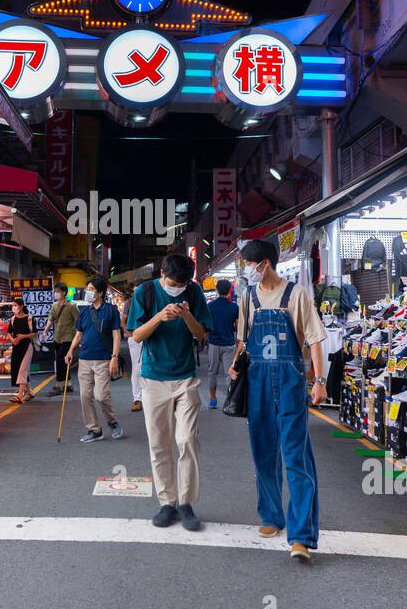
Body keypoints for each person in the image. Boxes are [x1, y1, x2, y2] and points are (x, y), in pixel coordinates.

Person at [229, 238, 328, 562]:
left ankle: (301, 536)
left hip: (289, 382)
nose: (247, 270)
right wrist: (235, 363)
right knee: (263, 451)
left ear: (264, 264)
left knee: (295, 457)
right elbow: (243, 341)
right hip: (256, 381)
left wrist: (319, 381)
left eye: (249, 264)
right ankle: (271, 516)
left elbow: (314, 340)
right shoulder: (247, 298)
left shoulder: (296, 294)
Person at [127, 253, 211, 531]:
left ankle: (186, 503)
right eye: (174, 283)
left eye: (183, 283)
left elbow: (201, 334)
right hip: (153, 380)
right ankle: (167, 503)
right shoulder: (145, 291)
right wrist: (160, 317)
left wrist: (187, 315)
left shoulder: (194, 291)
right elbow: (136, 335)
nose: (178, 287)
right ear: (162, 274)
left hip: (186, 378)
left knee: (187, 440)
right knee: (159, 443)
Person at [64, 277, 124, 442]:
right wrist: (70, 351)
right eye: (87, 288)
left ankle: (112, 421)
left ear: (100, 293)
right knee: (84, 396)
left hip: (103, 359)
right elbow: (78, 334)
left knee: (101, 396)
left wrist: (114, 357)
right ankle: (94, 429)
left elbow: (116, 334)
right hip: (84, 359)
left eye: (91, 289)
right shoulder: (84, 312)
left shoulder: (111, 310)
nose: (88, 291)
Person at [205, 279, 237, 410]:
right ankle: (230, 401)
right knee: (229, 373)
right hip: (229, 344)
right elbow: (237, 327)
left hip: (213, 343)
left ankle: (213, 399)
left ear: (216, 290)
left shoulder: (210, 306)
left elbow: (207, 327)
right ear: (230, 290)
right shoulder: (234, 307)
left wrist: (207, 340)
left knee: (212, 372)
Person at [47, 283, 78, 395]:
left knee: (60, 359)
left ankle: (58, 384)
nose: (56, 294)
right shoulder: (54, 306)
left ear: (64, 292)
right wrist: (45, 331)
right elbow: (51, 319)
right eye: (55, 291)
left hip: (68, 337)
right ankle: (69, 384)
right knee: (64, 361)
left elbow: (77, 321)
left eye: (58, 291)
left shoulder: (72, 305)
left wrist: (78, 337)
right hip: (57, 337)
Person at [7, 299, 37, 404]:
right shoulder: (12, 319)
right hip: (16, 347)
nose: (13, 307)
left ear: (21, 306)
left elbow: (34, 334)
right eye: (12, 305)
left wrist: (22, 337)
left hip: (27, 346)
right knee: (19, 369)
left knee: (22, 370)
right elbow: (9, 332)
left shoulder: (29, 318)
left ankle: (19, 395)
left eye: (15, 305)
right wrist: (13, 340)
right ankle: (29, 392)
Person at [124, 289, 145, 412]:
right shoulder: (129, 303)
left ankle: (151, 397)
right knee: (137, 368)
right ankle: (137, 399)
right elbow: (123, 321)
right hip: (136, 338)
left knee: (152, 365)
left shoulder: (151, 300)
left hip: (152, 337)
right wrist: (130, 335)